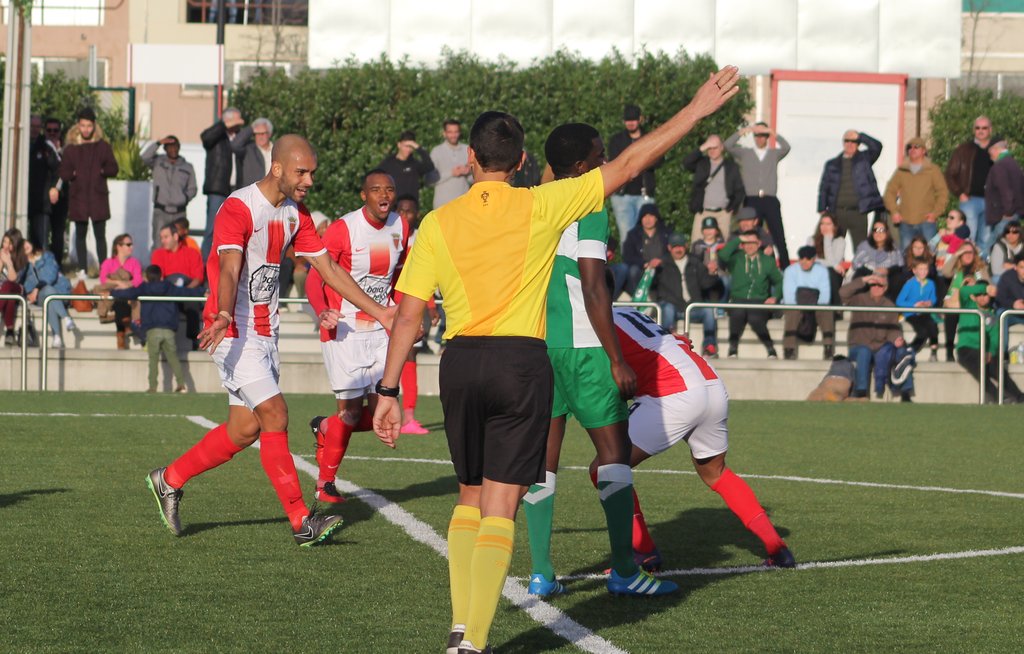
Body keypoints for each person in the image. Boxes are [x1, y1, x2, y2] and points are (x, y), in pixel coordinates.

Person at [373, 66, 741, 654]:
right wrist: (696, 110)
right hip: (520, 362)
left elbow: (409, 315)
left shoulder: (438, 222)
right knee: (501, 502)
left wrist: (389, 391)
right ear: (521, 161)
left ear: (469, 158)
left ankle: (461, 628)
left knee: (468, 497)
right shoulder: (543, 204)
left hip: (460, 363)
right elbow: (629, 164)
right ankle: (472, 642)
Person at [145, 135, 395, 547]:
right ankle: (302, 520)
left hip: (265, 333)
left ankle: (168, 479)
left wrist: (382, 312)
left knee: (244, 429)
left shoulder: (296, 214)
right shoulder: (239, 207)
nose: (309, 180)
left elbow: (329, 269)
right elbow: (229, 267)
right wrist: (225, 313)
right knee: (276, 415)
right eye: (302, 172)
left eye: (312, 172)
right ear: (277, 168)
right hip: (232, 331)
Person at [522, 122, 668, 600]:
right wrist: (617, 359)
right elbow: (592, 286)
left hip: (540, 346)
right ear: (583, 167)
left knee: (542, 463)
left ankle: (541, 573)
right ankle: (624, 570)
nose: (607, 162)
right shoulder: (589, 205)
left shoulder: (533, 201)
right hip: (585, 349)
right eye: (601, 155)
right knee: (613, 456)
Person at [598, 307, 795, 570]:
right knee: (716, 473)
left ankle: (643, 550)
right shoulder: (627, 312)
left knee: (605, 468)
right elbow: (672, 341)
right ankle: (778, 549)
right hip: (711, 384)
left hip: (675, 392)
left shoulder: (591, 319)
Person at [304, 170, 411, 505]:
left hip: (381, 330)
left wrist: (409, 314)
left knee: (388, 412)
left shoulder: (401, 225)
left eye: (389, 189)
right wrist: (322, 310)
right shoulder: (343, 229)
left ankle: (327, 427)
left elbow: (401, 277)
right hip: (345, 330)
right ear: (364, 195)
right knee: (350, 414)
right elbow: (315, 277)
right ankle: (325, 484)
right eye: (376, 190)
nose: (384, 195)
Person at [106, 265, 204, 392]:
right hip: (169, 329)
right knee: (173, 358)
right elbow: (186, 292)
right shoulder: (169, 287)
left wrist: (112, 292)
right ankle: (181, 385)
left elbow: (128, 293)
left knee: (153, 360)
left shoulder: (144, 287)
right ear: (161, 276)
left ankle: (153, 387)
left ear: (146, 277)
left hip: (152, 329)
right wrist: (203, 291)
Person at [58, 107, 119, 275]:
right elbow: (63, 172)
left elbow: (114, 168)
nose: (86, 129)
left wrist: (102, 171)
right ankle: (83, 269)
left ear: (94, 126)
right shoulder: (71, 148)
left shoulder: (103, 147)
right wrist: (73, 174)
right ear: (78, 126)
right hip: (78, 198)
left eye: (89, 126)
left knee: (100, 235)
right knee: (80, 235)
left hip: (98, 198)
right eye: (83, 125)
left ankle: (104, 269)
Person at [726, 122, 791, 267]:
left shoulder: (773, 154)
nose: (759, 138)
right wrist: (744, 131)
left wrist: (772, 132)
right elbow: (728, 145)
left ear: (767, 137)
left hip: (769, 199)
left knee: (778, 235)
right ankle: (754, 265)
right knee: (752, 234)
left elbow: (786, 147)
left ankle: (785, 268)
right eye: (757, 135)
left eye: (762, 135)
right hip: (752, 199)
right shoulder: (746, 153)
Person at [840, 273, 914, 401]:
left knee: (902, 353)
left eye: (879, 285)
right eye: (873, 284)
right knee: (864, 352)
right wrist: (865, 279)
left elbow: (893, 329)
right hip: (858, 346)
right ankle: (861, 392)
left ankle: (905, 393)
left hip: (879, 347)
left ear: (885, 288)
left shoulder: (889, 305)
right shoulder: (859, 299)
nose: (876, 287)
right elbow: (843, 292)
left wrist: (896, 339)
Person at [718, 229, 783, 359]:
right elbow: (723, 255)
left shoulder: (767, 261)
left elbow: (779, 281)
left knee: (755, 318)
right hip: (738, 298)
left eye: (752, 242)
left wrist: (775, 297)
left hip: (758, 300)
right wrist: (738, 239)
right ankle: (733, 348)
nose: (749, 246)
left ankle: (770, 348)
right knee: (737, 314)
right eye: (746, 243)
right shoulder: (736, 258)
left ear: (759, 243)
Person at [654, 232, 722, 356]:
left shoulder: (695, 262)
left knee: (708, 310)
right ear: (669, 248)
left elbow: (706, 284)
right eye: (675, 247)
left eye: (680, 246)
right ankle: (665, 343)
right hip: (672, 305)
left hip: (692, 307)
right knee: (667, 308)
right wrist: (651, 270)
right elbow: (652, 286)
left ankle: (709, 345)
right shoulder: (662, 264)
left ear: (686, 246)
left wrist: (712, 273)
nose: (678, 250)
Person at [956, 280, 1024, 403]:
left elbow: (994, 338)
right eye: (979, 295)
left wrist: (990, 352)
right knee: (979, 367)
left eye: (985, 295)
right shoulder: (968, 306)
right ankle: (999, 397)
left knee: (998, 369)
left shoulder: (992, 315)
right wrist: (985, 288)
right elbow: (964, 291)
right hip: (966, 349)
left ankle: (1019, 397)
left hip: (984, 351)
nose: (982, 298)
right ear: (974, 297)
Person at [818, 130, 885, 250]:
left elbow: (877, 147)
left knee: (861, 248)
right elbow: (824, 187)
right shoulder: (832, 164)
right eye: (847, 141)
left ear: (858, 144)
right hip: (837, 213)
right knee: (835, 248)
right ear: (843, 143)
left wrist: (861, 136)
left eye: (853, 141)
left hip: (859, 212)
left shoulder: (864, 160)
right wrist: (822, 208)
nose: (850, 144)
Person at [608, 104, 663, 241]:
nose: (630, 123)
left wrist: (635, 161)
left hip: (645, 195)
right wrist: (643, 159)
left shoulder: (649, 138)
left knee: (647, 236)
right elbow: (616, 163)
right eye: (628, 120)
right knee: (627, 237)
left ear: (640, 119)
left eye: (633, 119)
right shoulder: (617, 140)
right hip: (622, 196)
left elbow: (659, 160)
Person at [883, 137, 948, 246]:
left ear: (924, 151)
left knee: (930, 251)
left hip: (927, 221)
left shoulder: (932, 170)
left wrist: (935, 213)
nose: (912, 149)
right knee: (906, 252)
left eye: (916, 147)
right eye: (910, 147)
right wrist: (894, 211)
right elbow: (889, 192)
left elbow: (943, 192)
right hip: (906, 222)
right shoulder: (902, 170)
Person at [200, 107, 245, 262]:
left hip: (236, 190)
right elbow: (206, 137)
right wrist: (224, 125)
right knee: (212, 230)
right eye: (236, 119)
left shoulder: (240, 138)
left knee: (235, 230)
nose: (239, 122)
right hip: (218, 189)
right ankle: (205, 267)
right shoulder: (217, 136)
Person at [683, 133, 745, 242]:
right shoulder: (702, 164)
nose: (712, 151)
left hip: (723, 214)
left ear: (721, 148)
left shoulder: (731, 167)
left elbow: (739, 190)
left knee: (722, 246)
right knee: (696, 244)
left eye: (715, 147)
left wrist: (731, 208)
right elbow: (686, 162)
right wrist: (703, 147)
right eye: (709, 148)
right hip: (703, 212)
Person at [151, 224, 205, 348]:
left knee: (193, 303)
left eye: (166, 237)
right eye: (161, 237)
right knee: (160, 302)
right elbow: (158, 278)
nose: (162, 240)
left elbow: (198, 278)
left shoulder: (192, 253)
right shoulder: (158, 254)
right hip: (167, 291)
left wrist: (185, 291)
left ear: (175, 236)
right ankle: (161, 340)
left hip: (187, 291)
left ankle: (194, 340)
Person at [944, 115, 993, 244]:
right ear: (973, 130)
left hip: (990, 201)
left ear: (990, 130)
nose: (980, 131)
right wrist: (960, 193)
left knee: (985, 240)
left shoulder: (996, 150)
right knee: (967, 238)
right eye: (977, 128)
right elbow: (950, 173)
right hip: (970, 200)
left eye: (984, 128)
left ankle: (982, 258)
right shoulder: (964, 149)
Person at [142, 135, 198, 247]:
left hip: (179, 213)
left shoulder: (187, 167)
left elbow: (193, 188)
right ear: (165, 148)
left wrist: (184, 198)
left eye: (176, 146)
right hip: (161, 211)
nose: (173, 149)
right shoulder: (157, 162)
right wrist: (158, 142)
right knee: (159, 243)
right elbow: (144, 157)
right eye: (170, 146)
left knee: (179, 244)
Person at [782, 246, 834, 360]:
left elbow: (825, 294)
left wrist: (816, 308)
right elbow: (789, 296)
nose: (804, 262)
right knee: (792, 311)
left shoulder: (822, 271)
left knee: (826, 311)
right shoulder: (790, 271)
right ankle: (789, 349)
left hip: (815, 303)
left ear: (814, 259)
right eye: (802, 259)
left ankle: (828, 347)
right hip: (796, 303)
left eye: (808, 259)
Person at [22, 240, 76, 349]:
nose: (25, 246)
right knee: (48, 294)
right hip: (39, 297)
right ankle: (66, 318)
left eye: (26, 243)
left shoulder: (47, 256)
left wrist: (37, 288)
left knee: (49, 297)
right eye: (22, 246)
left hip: (59, 292)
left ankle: (57, 337)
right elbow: (25, 284)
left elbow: (50, 275)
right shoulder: (24, 265)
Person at [940, 241, 989, 362]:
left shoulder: (980, 269)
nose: (968, 255)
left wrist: (975, 284)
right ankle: (949, 352)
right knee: (951, 315)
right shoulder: (956, 269)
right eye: (964, 252)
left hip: (973, 304)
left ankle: (974, 352)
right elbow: (945, 272)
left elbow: (987, 286)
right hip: (955, 304)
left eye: (970, 252)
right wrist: (956, 254)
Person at [94, 234, 143, 349]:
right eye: (128, 244)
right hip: (114, 293)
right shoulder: (108, 262)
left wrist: (125, 285)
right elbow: (103, 279)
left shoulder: (134, 262)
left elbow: (138, 280)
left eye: (132, 244)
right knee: (117, 297)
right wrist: (119, 283)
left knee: (123, 297)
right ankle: (126, 327)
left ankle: (120, 335)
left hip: (127, 294)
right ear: (119, 246)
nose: (131, 247)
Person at [980, 136, 1024, 259]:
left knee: (991, 246)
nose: (990, 156)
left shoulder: (1000, 166)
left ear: (995, 149)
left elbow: (1006, 191)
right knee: (1007, 246)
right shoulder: (1012, 163)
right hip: (1014, 212)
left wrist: (1008, 212)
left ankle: (982, 267)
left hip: (1004, 214)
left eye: (990, 152)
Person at [28, 115, 62, 254]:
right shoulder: (19, 144)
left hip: (41, 204)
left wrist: (55, 188)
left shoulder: (46, 147)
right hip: (22, 203)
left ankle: (45, 266)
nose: (34, 129)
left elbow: (59, 170)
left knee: (41, 244)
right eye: (32, 126)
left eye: (37, 126)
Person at [621, 203, 670, 296]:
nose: (648, 220)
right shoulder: (632, 235)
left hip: (662, 268)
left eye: (651, 216)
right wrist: (645, 264)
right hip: (642, 270)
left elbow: (672, 253)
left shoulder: (666, 233)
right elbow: (627, 257)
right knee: (633, 270)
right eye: (645, 217)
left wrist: (661, 261)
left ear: (656, 218)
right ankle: (637, 297)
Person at [377, 130, 437, 205]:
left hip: (411, 207)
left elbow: (429, 166)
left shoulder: (415, 164)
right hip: (393, 207)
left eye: (411, 147)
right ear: (399, 145)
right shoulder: (388, 163)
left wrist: (418, 147)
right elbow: (375, 179)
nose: (408, 150)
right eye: (406, 146)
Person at [896, 260, 939, 361]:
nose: (923, 272)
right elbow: (899, 301)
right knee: (922, 332)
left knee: (933, 326)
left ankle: (933, 352)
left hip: (925, 312)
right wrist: (914, 305)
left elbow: (933, 298)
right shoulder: (909, 284)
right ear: (914, 270)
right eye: (921, 269)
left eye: (925, 269)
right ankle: (910, 350)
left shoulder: (930, 283)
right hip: (911, 314)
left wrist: (929, 303)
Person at [430, 119, 472, 209]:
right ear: (444, 133)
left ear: (459, 133)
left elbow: (474, 180)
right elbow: (429, 180)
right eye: (450, 132)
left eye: (456, 132)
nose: (453, 135)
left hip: (463, 205)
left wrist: (468, 172)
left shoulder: (467, 150)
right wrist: (451, 173)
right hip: (442, 206)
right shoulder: (436, 151)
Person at [852, 219, 903, 292]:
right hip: (868, 274)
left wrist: (887, 271)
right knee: (859, 276)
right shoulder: (864, 246)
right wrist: (872, 270)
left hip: (887, 276)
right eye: (875, 230)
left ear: (887, 232)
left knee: (898, 278)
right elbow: (855, 264)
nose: (878, 233)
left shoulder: (893, 247)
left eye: (881, 230)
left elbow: (900, 265)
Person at [809, 213, 846, 309]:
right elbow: (810, 261)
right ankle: (836, 307)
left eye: (828, 224)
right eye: (822, 224)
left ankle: (835, 308)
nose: (824, 227)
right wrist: (832, 264)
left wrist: (827, 240)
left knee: (830, 272)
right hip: (815, 273)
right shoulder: (811, 240)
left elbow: (835, 262)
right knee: (828, 271)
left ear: (835, 226)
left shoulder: (840, 241)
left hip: (833, 275)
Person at [0, 229, 29, 346]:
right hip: (5, 293)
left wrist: (9, 263)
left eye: (10, 243)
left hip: (17, 289)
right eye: (4, 242)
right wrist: (1, 263)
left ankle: (10, 332)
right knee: (9, 297)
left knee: (8, 285)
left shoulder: (22, 258)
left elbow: (14, 279)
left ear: (16, 244)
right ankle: (10, 332)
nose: (6, 246)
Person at [231, 117, 275, 188]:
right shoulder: (248, 149)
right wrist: (251, 129)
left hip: (272, 190)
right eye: (257, 133)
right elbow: (235, 145)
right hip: (251, 191)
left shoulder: (276, 149)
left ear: (269, 134)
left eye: (263, 133)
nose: (260, 137)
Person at [995, 253, 1024, 353]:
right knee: (1001, 314)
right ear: (1015, 267)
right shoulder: (1007, 277)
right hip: (1013, 314)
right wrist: (1013, 304)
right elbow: (999, 298)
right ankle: (1002, 353)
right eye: (1022, 267)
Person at [990, 219, 1022, 284]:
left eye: (1014, 232)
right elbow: (996, 271)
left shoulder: (1022, 247)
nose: (1010, 235)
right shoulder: (999, 247)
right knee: (997, 278)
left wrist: (1013, 267)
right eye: (1008, 232)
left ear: (1020, 234)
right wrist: (1016, 268)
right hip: (1004, 277)